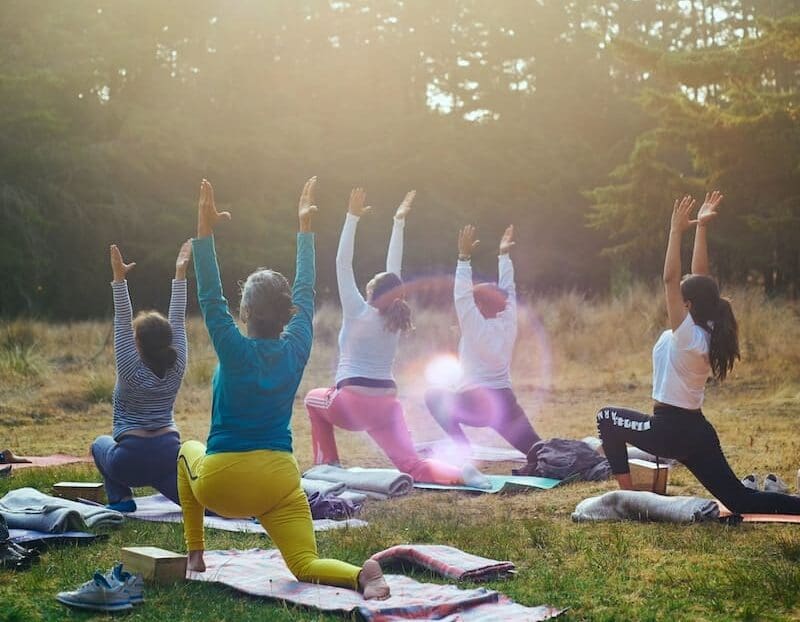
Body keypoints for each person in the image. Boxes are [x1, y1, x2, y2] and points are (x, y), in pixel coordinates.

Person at [177, 178, 389, 599]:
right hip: (279, 480)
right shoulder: (296, 348)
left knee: (186, 449)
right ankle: (360, 576)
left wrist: (204, 232)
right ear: (286, 312)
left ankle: (195, 554)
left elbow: (209, 296)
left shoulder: (233, 348)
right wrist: (305, 231)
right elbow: (306, 293)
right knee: (304, 565)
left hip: (223, 484)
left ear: (247, 311)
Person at [596, 191, 800, 515]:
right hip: (696, 431)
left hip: (668, 431)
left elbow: (669, 278)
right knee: (741, 500)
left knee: (606, 418)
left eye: (682, 295)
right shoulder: (705, 327)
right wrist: (701, 227)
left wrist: (676, 231)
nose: (677, 294)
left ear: (687, 304)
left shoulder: (688, 335)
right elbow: (700, 277)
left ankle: (632, 500)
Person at [304, 188, 489, 487]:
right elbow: (395, 271)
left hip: (350, 403)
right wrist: (398, 223)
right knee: (411, 464)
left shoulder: (357, 311)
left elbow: (342, 262)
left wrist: (352, 217)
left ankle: (328, 464)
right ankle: (463, 474)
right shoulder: (394, 318)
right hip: (387, 406)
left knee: (313, 400)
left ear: (371, 290)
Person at [424, 224, 541, 459]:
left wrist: (464, 258)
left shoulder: (474, 326)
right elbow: (509, 289)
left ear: (479, 306)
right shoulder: (508, 321)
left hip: (474, 403)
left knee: (433, 396)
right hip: (505, 403)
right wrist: (504, 256)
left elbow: (461, 296)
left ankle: (462, 448)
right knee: (539, 451)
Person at [90, 240, 191, 512]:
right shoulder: (177, 364)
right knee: (198, 503)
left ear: (137, 343)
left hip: (130, 462)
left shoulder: (129, 370)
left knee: (99, 444)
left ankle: (122, 500)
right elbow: (178, 319)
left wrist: (119, 278)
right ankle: (243, 509)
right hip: (169, 454)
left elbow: (122, 318)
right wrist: (180, 275)